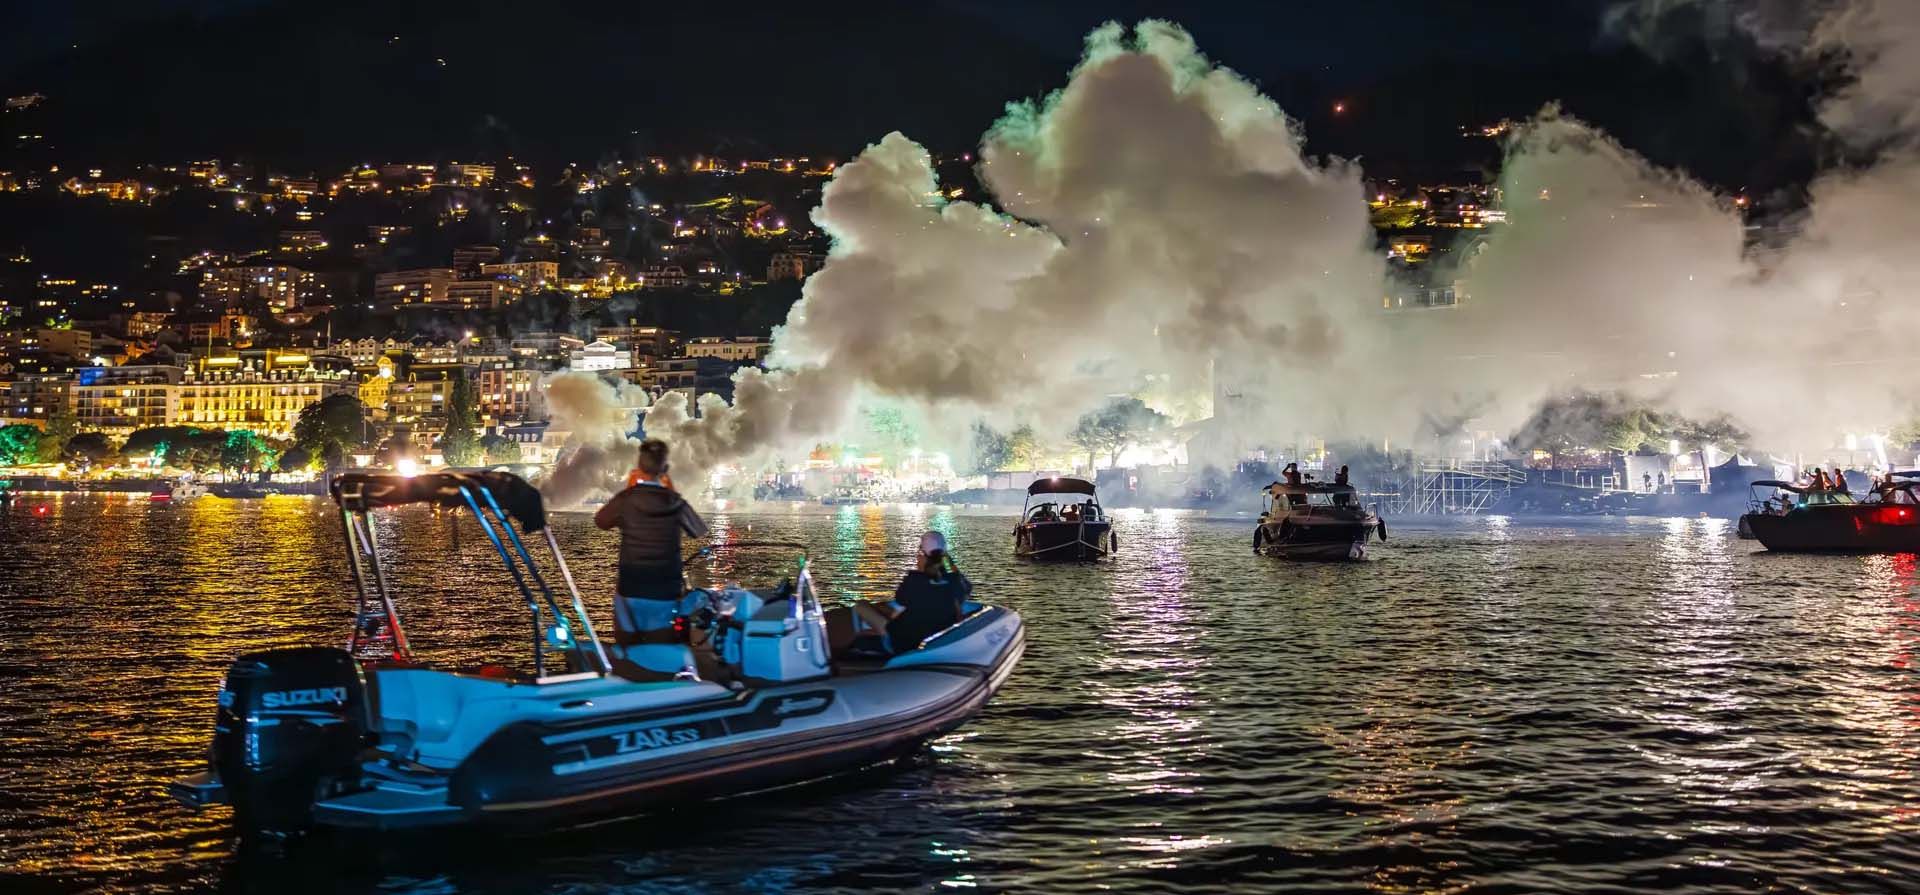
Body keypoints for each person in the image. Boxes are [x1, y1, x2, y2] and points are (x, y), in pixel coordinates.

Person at [594, 439, 708, 646]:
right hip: (664, 591)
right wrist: (671, 490)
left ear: (638, 467)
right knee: (660, 646)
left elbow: (601, 521)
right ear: (665, 469)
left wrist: (628, 492)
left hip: (631, 588)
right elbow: (698, 530)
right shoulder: (675, 501)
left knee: (627, 648)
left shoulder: (626, 499)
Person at [849, 531, 970, 654]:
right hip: (938, 641)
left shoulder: (913, 580)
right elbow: (964, 587)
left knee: (861, 607)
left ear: (922, 555)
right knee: (890, 614)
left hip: (904, 644)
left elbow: (900, 602)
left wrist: (921, 569)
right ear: (944, 555)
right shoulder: (955, 581)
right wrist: (948, 563)